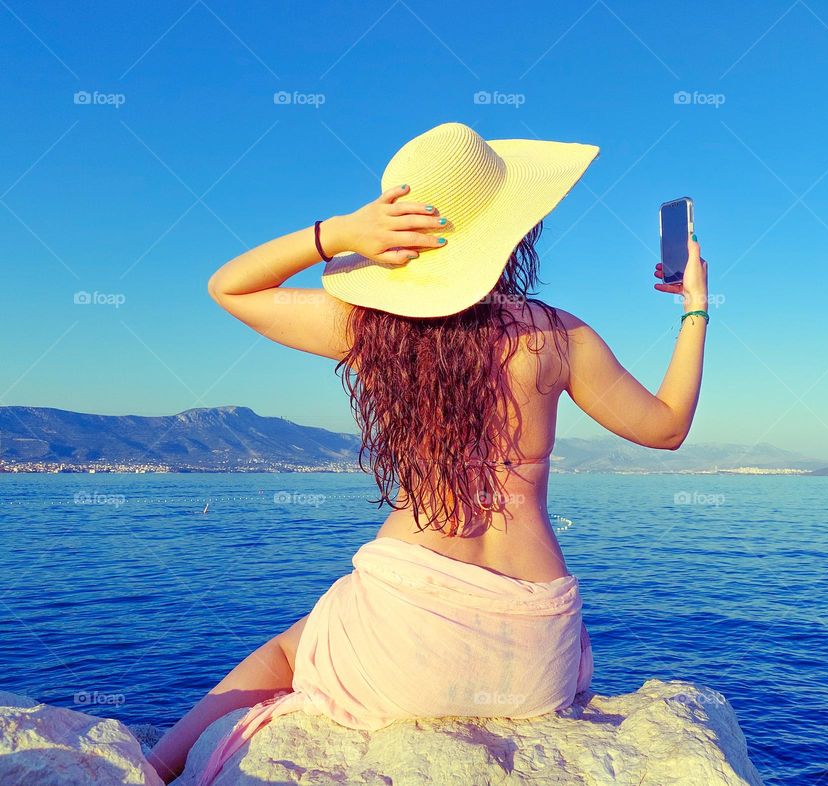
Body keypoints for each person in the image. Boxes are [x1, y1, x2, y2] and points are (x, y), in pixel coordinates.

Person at [146, 122, 708, 784]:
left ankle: (150, 767)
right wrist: (695, 310)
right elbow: (666, 427)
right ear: (514, 232)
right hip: (531, 658)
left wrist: (340, 234)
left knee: (284, 652)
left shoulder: (372, 331)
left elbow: (229, 287)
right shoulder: (559, 337)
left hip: (403, 644)